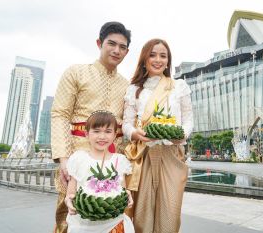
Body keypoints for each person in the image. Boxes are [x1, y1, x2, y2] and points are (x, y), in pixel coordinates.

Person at [51, 21, 131, 233]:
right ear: (99, 43)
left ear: (127, 51)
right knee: (69, 214)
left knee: (112, 217)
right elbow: (60, 113)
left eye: (122, 47)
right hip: (77, 157)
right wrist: (63, 158)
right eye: (111, 44)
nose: (116, 50)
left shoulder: (128, 85)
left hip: (112, 161)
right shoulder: (76, 73)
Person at [122, 38, 194, 233]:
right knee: (143, 213)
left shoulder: (179, 86)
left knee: (170, 212)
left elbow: (188, 119)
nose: (158, 60)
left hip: (172, 154)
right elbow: (126, 123)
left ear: (168, 61)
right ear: (144, 59)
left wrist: (182, 135)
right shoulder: (134, 89)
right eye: (152, 55)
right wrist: (135, 133)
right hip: (143, 155)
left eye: (163, 55)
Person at [64, 111, 134, 233]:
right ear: (87, 134)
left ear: (114, 135)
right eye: (96, 131)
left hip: (113, 224)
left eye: (108, 131)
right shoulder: (78, 159)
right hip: (83, 224)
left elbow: (122, 191)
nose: (102, 137)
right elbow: (70, 194)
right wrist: (69, 202)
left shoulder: (120, 160)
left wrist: (127, 196)